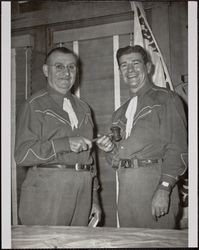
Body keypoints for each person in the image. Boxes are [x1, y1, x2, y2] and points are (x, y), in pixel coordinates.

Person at [96, 45, 188, 229]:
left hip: (154, 184)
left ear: (148, 67)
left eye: (135, 63)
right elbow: (116, 160)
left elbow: (178, 149)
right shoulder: (120, 113)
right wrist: (110, 149)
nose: (130, 70)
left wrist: (164, 188)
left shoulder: (166, 99)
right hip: (126, 189)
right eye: (124, 65)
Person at [15, 47, 101, 226]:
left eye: (71, 67)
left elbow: (90, 158)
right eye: (59, 67)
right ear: (46, 70)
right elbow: (22, 155)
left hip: (82, 192)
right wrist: (65, 143)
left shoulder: (84, 108)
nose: (66, 73)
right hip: (47, 192)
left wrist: (94, 199)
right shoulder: (34, 105)